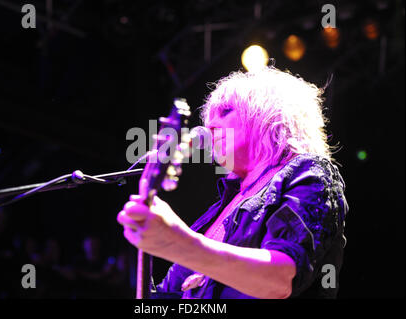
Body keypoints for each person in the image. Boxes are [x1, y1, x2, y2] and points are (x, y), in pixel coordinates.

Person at [117, 66, 348, 299]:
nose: (210, 126)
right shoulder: (220, 209)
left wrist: (181, 243)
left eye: (226, 111)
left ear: (268, 113)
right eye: (209, 119)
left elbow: (281, 279)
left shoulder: (310, 171)